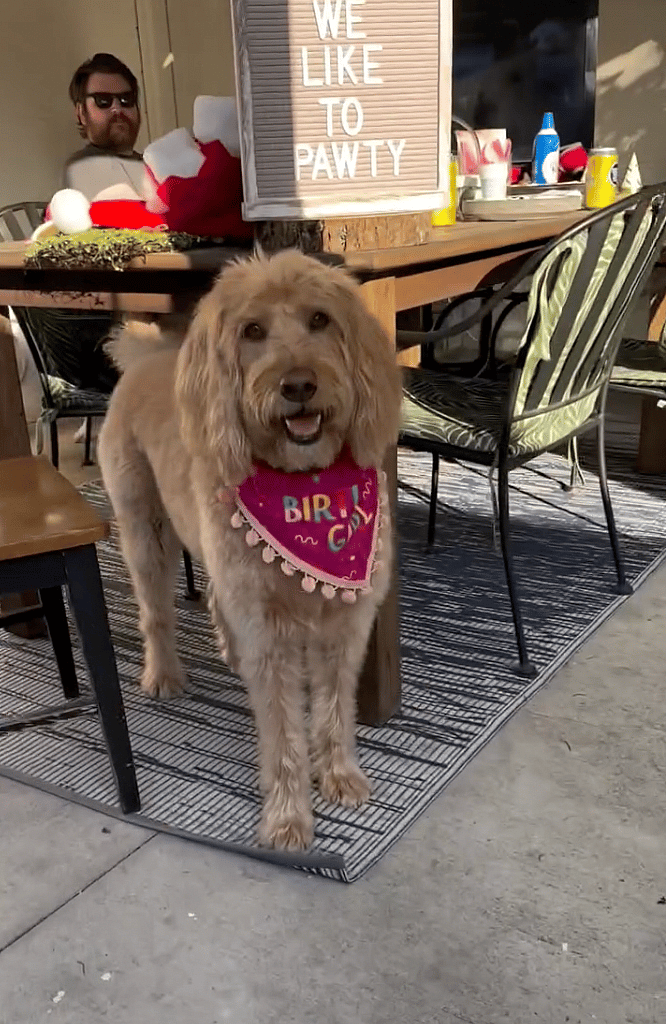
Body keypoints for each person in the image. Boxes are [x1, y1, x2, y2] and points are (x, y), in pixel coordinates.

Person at [15, 53, 145, 423]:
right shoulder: (83, 168)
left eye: (127, 100)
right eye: (103, 102)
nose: (118, 109)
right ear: (81, 113)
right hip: (101, 342)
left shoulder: (151, 165)